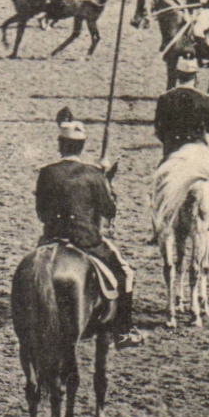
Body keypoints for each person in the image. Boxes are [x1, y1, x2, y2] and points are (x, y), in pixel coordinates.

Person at [35, 113, 143, 348]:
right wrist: (103, 180)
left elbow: (41, 213)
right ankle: (123, 330)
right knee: (125, 274)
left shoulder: (46, 172)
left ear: (60, 145)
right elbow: (109, 210)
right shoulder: (92, 174)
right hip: (86, 240)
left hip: (51, 238)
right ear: (82, 146)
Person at [155, 56, 209, 241]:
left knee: (156, 188)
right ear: (195, 76)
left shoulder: (164, 98)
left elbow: (159, 130)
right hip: (198, 151)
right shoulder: (204, 99)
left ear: (177, 75)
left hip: (173, 151)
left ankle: (157, 228)